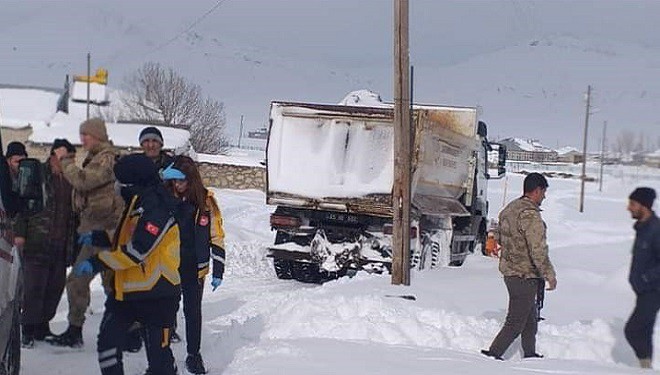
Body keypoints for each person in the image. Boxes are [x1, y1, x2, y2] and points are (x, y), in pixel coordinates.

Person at [73, 153, 181, 375]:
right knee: (107, 347)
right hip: (127, 292)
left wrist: (97, 262)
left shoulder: (158, 209)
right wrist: (99, 238)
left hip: (157, 296)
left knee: (159, 361)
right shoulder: (136, 201)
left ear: (135, 183)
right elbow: (126, 237)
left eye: (121, 182)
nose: (117, 186)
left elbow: (137, 251)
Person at [49, 118, 124, 348]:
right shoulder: (96, 157)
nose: (82, 140)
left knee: (106, 284)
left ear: (98, 135)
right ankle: (76, 330)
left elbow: (83, 182)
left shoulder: (106, 158)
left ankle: (127, 331)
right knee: (86, 282)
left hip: (105, 231)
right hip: (94, 230)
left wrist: (65, 160)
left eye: (86, 135)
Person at [161, 156, 225, 374]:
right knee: (165, 310)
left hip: (193, 267)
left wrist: (219, 269)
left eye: (181, 181)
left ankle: (193, 355)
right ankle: (162, 354)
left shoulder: (206, 202)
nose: (177, 186)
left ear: (191, 179)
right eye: (174, 181)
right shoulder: (165, 198)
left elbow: (216, 236)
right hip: (167, 265)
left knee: (193, 312)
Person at [481, 172, 557, 360]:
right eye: (544, 192)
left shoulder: (510, 209)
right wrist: (549, 274)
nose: (544, 197)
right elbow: (537, 249)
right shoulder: (530, 215)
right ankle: (492, 355)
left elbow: (497, 235)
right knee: (515, 322)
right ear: (537, 190)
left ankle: (530, 355)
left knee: (530, 318)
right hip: (524, 275)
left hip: (511, 273)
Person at [13, 139, 77, 348]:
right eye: (64, 158)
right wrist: (20, 233)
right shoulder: (37, 174)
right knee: (33, 288)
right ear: (53, 157)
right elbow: (22, 204)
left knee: (55, 287)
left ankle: (43, 325)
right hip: (37, 239)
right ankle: (28, 329)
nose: (67, 162)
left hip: (60, 243)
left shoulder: (71, 180)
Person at [624, 187, 660, 369]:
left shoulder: (656, 229)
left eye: (632, 204)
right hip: (643, 291)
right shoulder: (643, 228)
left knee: (632, 330)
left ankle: (646, 366)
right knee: (644, 331)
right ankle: (646, 368)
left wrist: (646, 278)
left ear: (644, 206)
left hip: (653, 291)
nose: (628, 208)